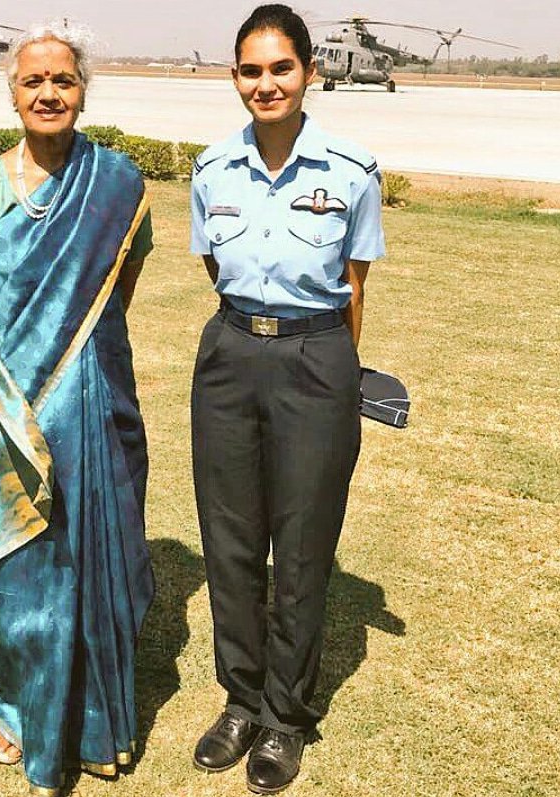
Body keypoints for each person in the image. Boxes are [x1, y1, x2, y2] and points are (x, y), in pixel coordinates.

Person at [0, 21, 154, 797]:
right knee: (20, 567)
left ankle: (96, 718)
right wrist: (19, 367)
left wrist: (71, 360)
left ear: (82, 91)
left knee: (100, 557)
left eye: (63, 79)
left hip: (95, 404)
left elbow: (116, 290)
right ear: (13, 93)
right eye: (34, 81)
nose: (49, 92)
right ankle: (21, 710)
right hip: (10, 409)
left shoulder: (117, 184)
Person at [190, 4, 385, 793]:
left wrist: (331, 372)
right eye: (250, 68)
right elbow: (215, 269)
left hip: (316, 354)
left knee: (301, 542)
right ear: (233, 76)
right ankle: (239, 698)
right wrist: (251, 330)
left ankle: (283, 715)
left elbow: (354, 288)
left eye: (280, 67)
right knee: (229, 537)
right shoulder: (211, 170)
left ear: (309, 71)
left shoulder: (351, 169)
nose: (264, 83)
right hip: (231, 354)